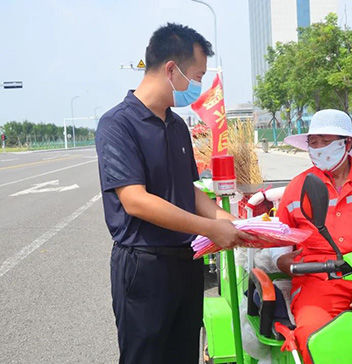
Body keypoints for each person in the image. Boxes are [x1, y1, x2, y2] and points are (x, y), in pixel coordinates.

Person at [95, 23, 253, 364]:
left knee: (183, 355)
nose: (197, 86)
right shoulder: (118, 124)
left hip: (186, 262)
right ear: (171, 69)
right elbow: (135, 200)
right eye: (196, 76)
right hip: (145, 265)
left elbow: (189, 192)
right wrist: (210, 228)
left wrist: (236, 224)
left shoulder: (177, 125)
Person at [275, 109, 352, 364]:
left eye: (327, 141)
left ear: (348, 144)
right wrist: (286, 262)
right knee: (316, 340)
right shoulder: (297, 188)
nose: (319, 148)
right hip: (318, 282)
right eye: (314, 142)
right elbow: (277, 246)